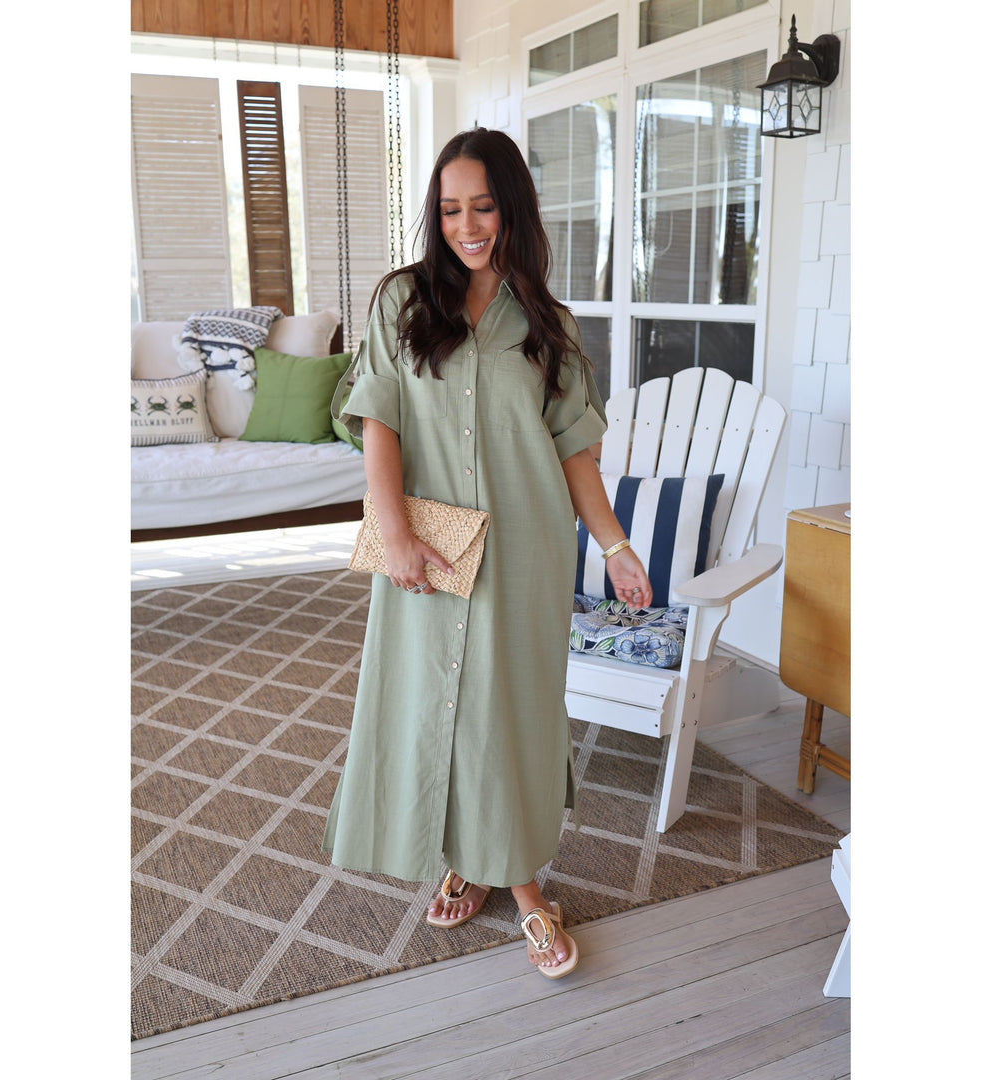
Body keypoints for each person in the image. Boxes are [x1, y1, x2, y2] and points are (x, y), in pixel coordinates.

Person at [324, 127, 652, 977]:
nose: (467, 225)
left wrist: (614, 546)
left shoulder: (548, 324)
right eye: (451, 209)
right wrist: (391, 530)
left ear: (513, 208)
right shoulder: (402, 301)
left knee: (508, 712)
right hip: (427, 550)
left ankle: (527, 885)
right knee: (433, 705)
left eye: (484, 206)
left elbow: (575, 453)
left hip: (524, 551)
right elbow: (379, 416)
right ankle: (464, 858)